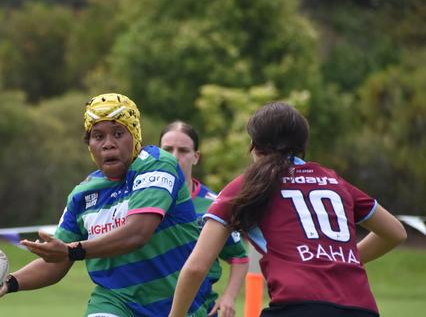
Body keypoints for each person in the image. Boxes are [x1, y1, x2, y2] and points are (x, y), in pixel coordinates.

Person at [169, 102, 407, 317]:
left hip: (299, 307)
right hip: (362, 308)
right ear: (302, 145)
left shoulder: (245, 187)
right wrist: (337, 261)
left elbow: (196, 267)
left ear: (254, 146)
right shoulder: (335, 181)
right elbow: (395, 232)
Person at [0, 93, 213, 316]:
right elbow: (57, 261)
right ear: (89, 145)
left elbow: (137, 233)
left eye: (119, 134)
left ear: (135, 136)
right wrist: (10, 282)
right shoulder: (82, 194)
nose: (108, 144)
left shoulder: (156, 164)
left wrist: (73, 251)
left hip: (179, 305)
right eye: (98, 136)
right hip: (115, 302)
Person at [160, 121, 248, 317]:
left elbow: (239, 257)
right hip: (149, 309)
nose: (175, 157)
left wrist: (229, 296)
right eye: (167, 149)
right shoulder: (144, 199)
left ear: (196, 157)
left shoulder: (216, 205)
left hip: (200, 310)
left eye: (183, 150)